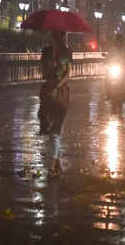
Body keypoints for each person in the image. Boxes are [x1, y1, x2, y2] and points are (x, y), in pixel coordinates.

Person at [38, 30, 72, 177]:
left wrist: (54, 84)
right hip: (60, 95)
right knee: (54, 132)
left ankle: (52, 167)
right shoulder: (65, 52)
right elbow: (68, 75)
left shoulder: (48, 51)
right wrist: (58, 85)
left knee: (53, 132)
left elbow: (42, 72)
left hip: (50, 94)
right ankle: (55, 163)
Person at [106, 34, 125, 98]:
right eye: (118, 40)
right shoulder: (112, 49)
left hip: (123, 67)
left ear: (122, 41)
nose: (119, 42)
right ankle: (108, 92)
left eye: (120, 41)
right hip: (114, 67)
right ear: (116, 41)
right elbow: (108, 56)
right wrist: (106, 61)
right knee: (106, 77)